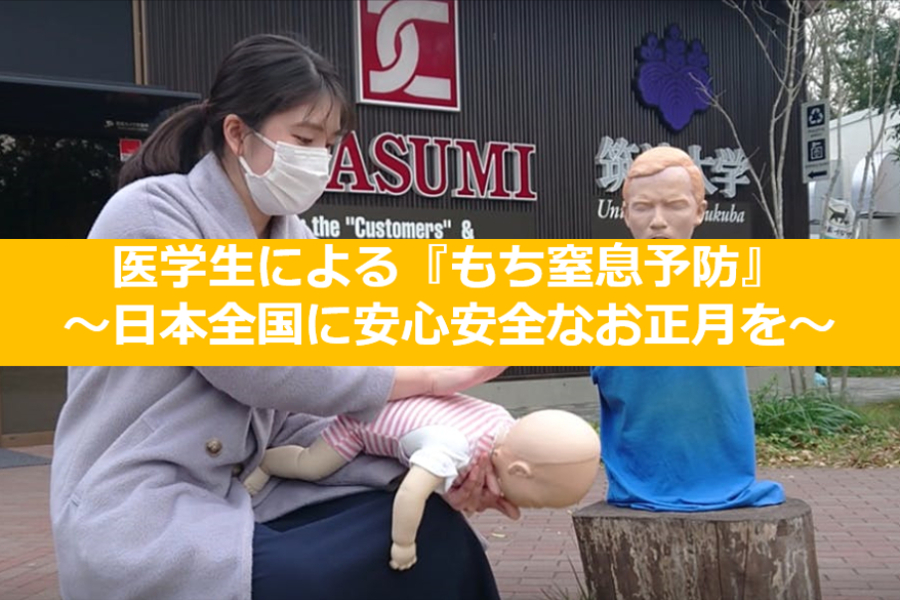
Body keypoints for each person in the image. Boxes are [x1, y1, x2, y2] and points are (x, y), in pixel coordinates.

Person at [49, 34, 516, 600]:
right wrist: (425, 376)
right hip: (138, 509)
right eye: (304, 139)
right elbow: (251, 361)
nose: (319, 159)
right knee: (309, 580)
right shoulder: (149, 217)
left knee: (436, 534)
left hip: (243, 496)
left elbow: (306, 415)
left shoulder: (296, 243)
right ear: (237, 134)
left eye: (330, 144)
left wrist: (432, 463)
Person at [590, 146, 785, 512]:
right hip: (638, 477)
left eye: (674, 205)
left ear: (699, 211)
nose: (658, 221)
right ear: (625, 214)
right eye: (643, 207)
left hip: (724, 474)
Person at [241, 397, 600, 570]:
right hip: (363, 425)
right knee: (311, 464)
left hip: (397, 403)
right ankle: (267, 464)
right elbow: (412, 492)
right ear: (518, 471)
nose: (523, 506)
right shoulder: (455, 448)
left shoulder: (500, 418)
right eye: (535, 502)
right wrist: (403, 543)